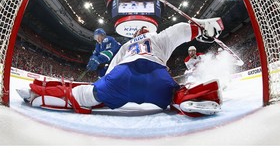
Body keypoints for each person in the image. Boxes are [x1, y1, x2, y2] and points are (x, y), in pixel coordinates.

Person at [17, 17, 224, 117]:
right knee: (174, 93)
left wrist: (101, 88)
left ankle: (36, 93)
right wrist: (201, 30)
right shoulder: (159, 37)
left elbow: (110, 71)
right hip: (156, 78)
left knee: (84, 95)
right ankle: (186, 100)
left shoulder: (126, 45)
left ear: (135, 35)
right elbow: (179, 31)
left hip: (122, 77)